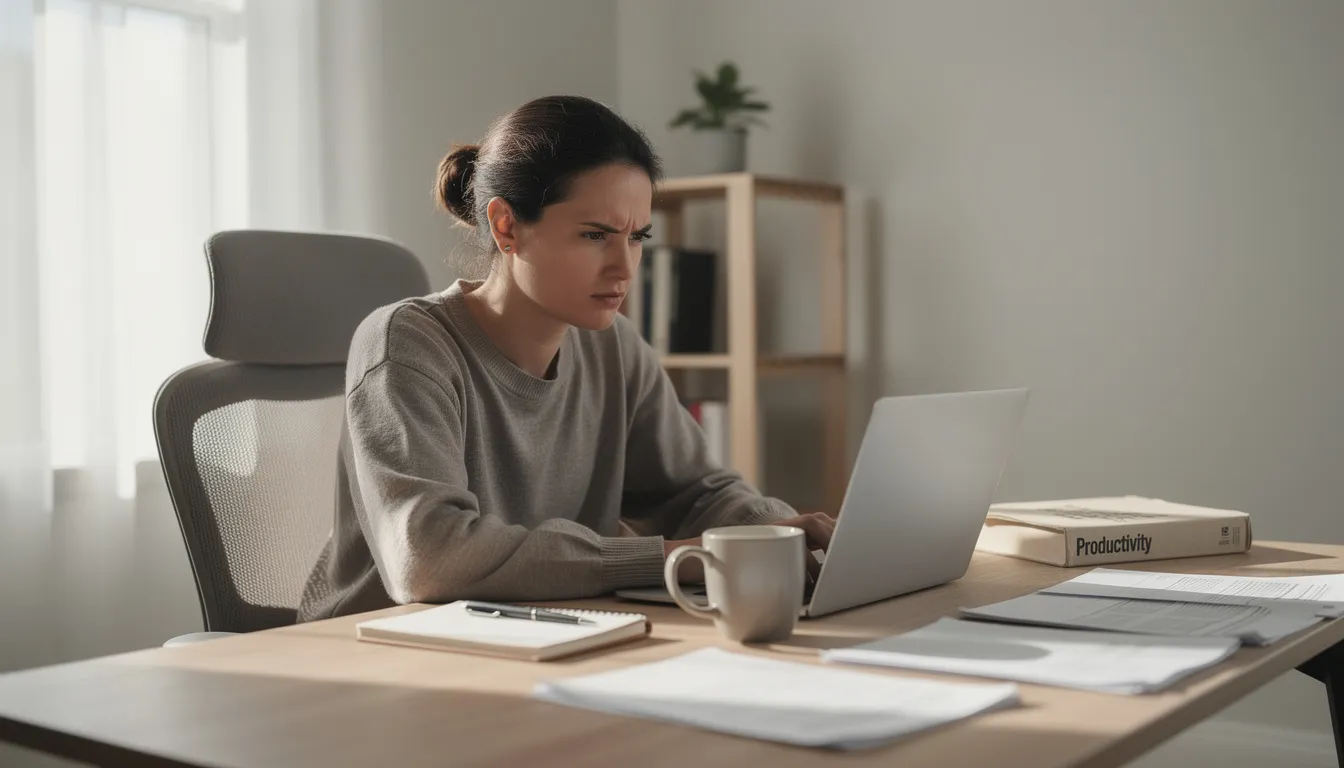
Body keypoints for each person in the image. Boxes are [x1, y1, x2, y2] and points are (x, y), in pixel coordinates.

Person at [297, 95, 833, 622]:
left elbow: (697, 493)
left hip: (534, 638)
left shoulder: (614, 347)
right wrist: (678, 560)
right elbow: (431, 559)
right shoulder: (405, 344)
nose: (624, 268)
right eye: (595, 235)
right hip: (372, 655)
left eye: (637, 236)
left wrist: (777, 531)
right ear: (506, 226)